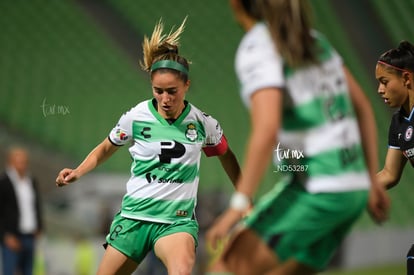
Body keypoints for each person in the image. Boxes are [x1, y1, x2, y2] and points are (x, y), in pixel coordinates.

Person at [205, 0, 390, 274]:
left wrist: (239, 204)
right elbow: (362, 107)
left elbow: (266, 129)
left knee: (225, 268)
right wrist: (370, 182)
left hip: (319, 189)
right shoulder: (314, 41)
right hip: (352, 190)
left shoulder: (259, 47)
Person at [55, 18, 241, 275]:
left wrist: (245, 197)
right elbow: (106, 148)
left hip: (175, 223)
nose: (165, 99)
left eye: (172, 91)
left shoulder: (202, 123)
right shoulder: (136, 117)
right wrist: (78, 171)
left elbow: (227, 157)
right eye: (158, 90)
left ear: (187, 85)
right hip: (134, 218)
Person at [375, 40, 414, 275]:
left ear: (407, 79)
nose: (380, 90)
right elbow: (389, 174)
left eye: (384, 82)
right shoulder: (399, 123)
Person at [0, 147, 43, 275]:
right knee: (10, 270)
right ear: (11, 162)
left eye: (24, 162)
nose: (22, 165)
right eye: (19, 161)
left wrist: (39, 227)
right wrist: (5, 235)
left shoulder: (31, 181)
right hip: (12, 237)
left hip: (29, 235)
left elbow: (36, 205)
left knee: (28, 271)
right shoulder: (3, 182)